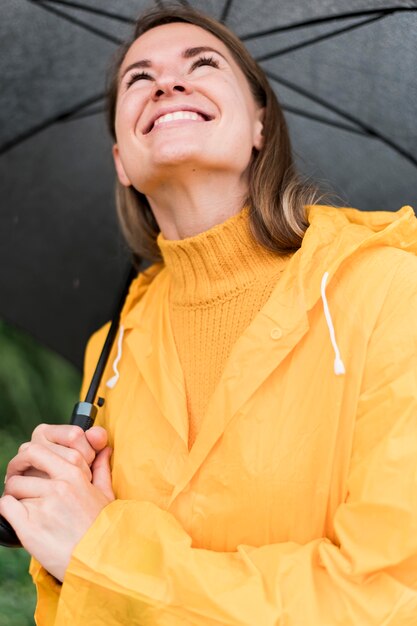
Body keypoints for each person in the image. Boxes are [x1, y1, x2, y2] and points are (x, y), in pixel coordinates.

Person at [1, 4, 417, 625]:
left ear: (260, 126)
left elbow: (388, 596)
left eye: (203, 65)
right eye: (139, 79)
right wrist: (57, 525)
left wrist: (102, 550)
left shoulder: (389, 290)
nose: (167, 83)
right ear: (121, 159)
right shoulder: (109, 352)